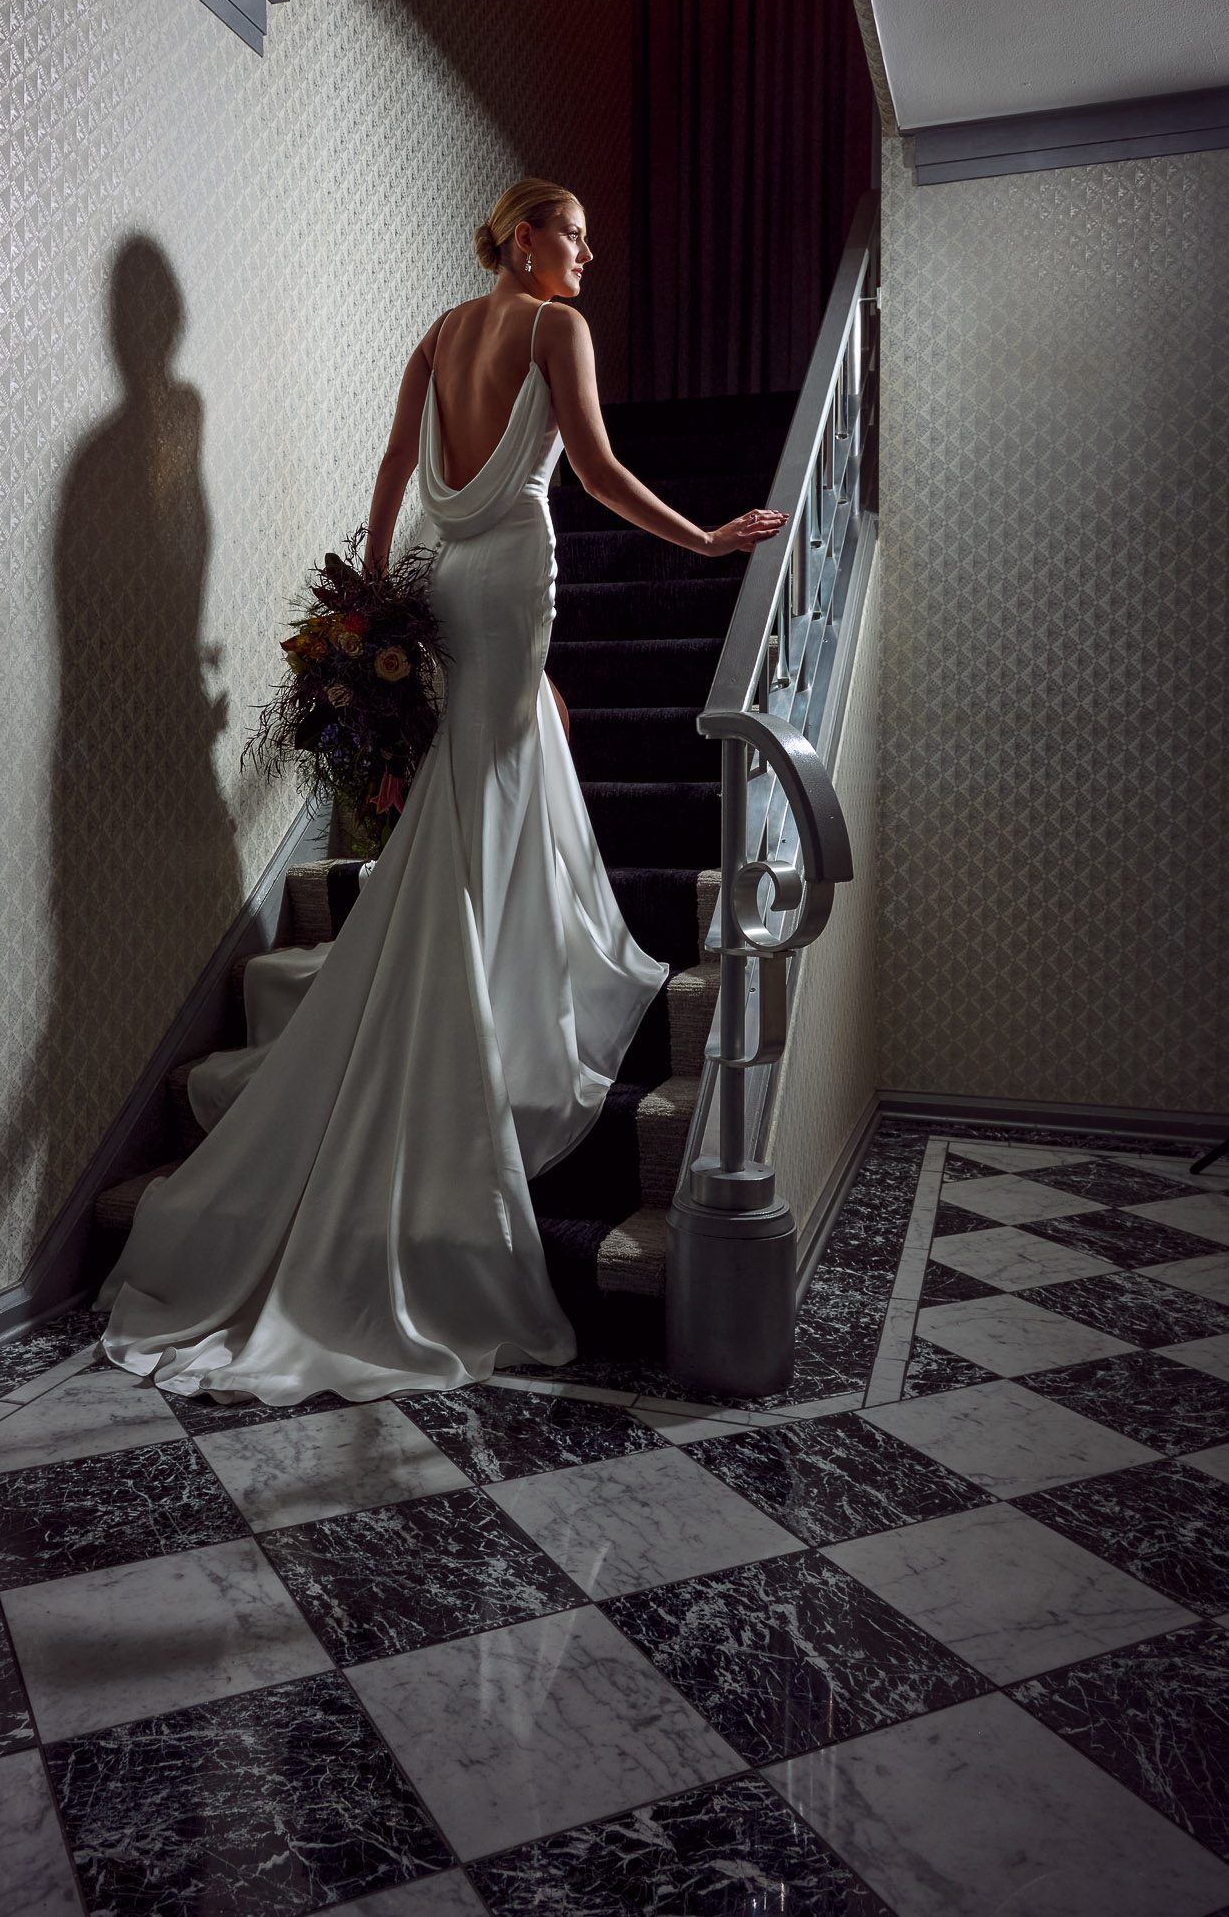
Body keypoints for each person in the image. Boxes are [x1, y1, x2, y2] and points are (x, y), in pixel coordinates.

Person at [97, 178, 787, 1403]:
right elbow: (601, 472)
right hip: (517, 569)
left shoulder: (437, 336)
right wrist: (705, 543)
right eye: (572, 234)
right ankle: (496, 1010)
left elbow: (388, 470)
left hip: (448, 585)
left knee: (486, 779)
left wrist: (365, 605)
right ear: (521, 236)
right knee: (495, 779)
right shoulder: (550, 329)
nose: (586, 257)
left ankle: (473, 975)